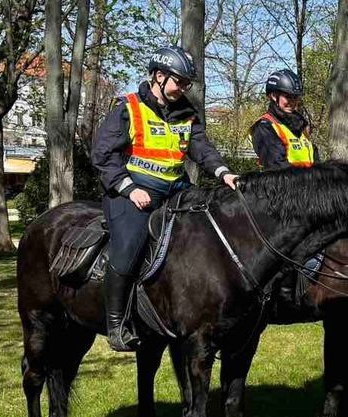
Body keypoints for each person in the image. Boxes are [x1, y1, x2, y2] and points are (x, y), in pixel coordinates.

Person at [92, 46, 239, 352]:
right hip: (131, 192)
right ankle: (117, 324)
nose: (183, 88)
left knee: (210, 232)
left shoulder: (187, 113)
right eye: (179, 82)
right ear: (159, 76)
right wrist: (129, 188)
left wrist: (223, 172)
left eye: (187, 84)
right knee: (129, 245)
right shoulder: (128, 107)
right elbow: (103, 155)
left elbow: (201, 149)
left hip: (176, 189)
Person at [250, 69, 317, 170]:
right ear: (273, 96)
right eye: (288, 97)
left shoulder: (301, 125)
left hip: (310, 184)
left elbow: (314, 159)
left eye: (295, 97)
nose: (292, 102)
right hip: (282, 185)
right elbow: (277, 167)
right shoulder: (264, 127)